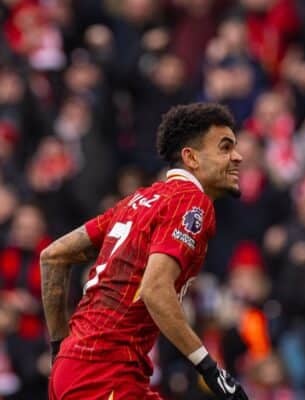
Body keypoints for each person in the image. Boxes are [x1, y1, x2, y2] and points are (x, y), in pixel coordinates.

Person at [40, 103, 248, 399]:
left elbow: (53, 257)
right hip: (106, 371)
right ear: (191, 158)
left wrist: (61, 348)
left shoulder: (137, 201)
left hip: (81, 367)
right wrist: (211, 370)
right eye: (225, 148)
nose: (238, 157)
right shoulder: (191, 202)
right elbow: (154, 289)